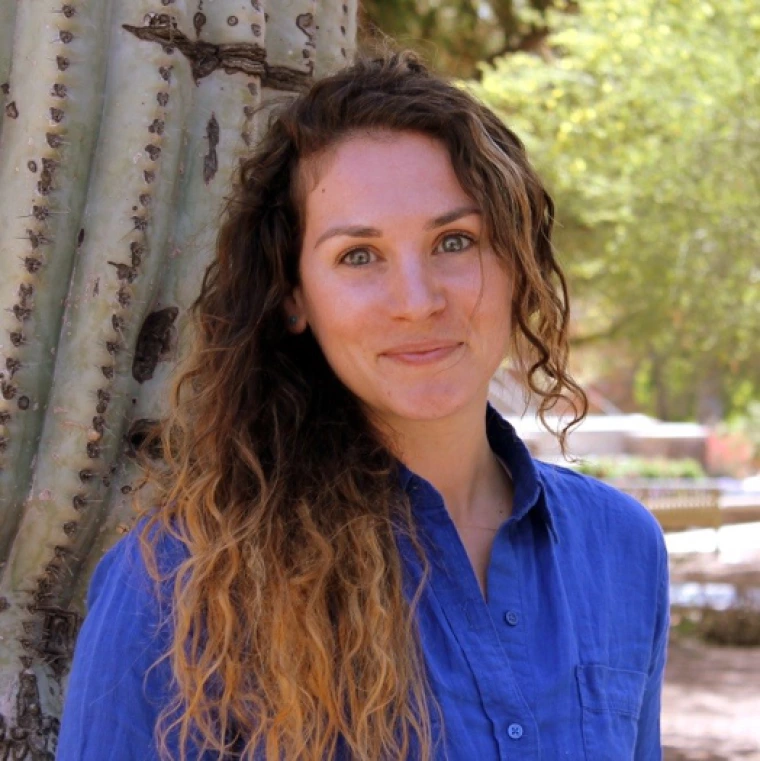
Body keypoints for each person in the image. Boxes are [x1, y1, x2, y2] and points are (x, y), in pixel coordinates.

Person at [56, 48, 669, 761]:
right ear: (294, 296)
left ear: (516, 265)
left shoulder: (621, 548)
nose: (416, 301)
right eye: (358, 255)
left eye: (454, 241)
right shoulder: (179, 582)